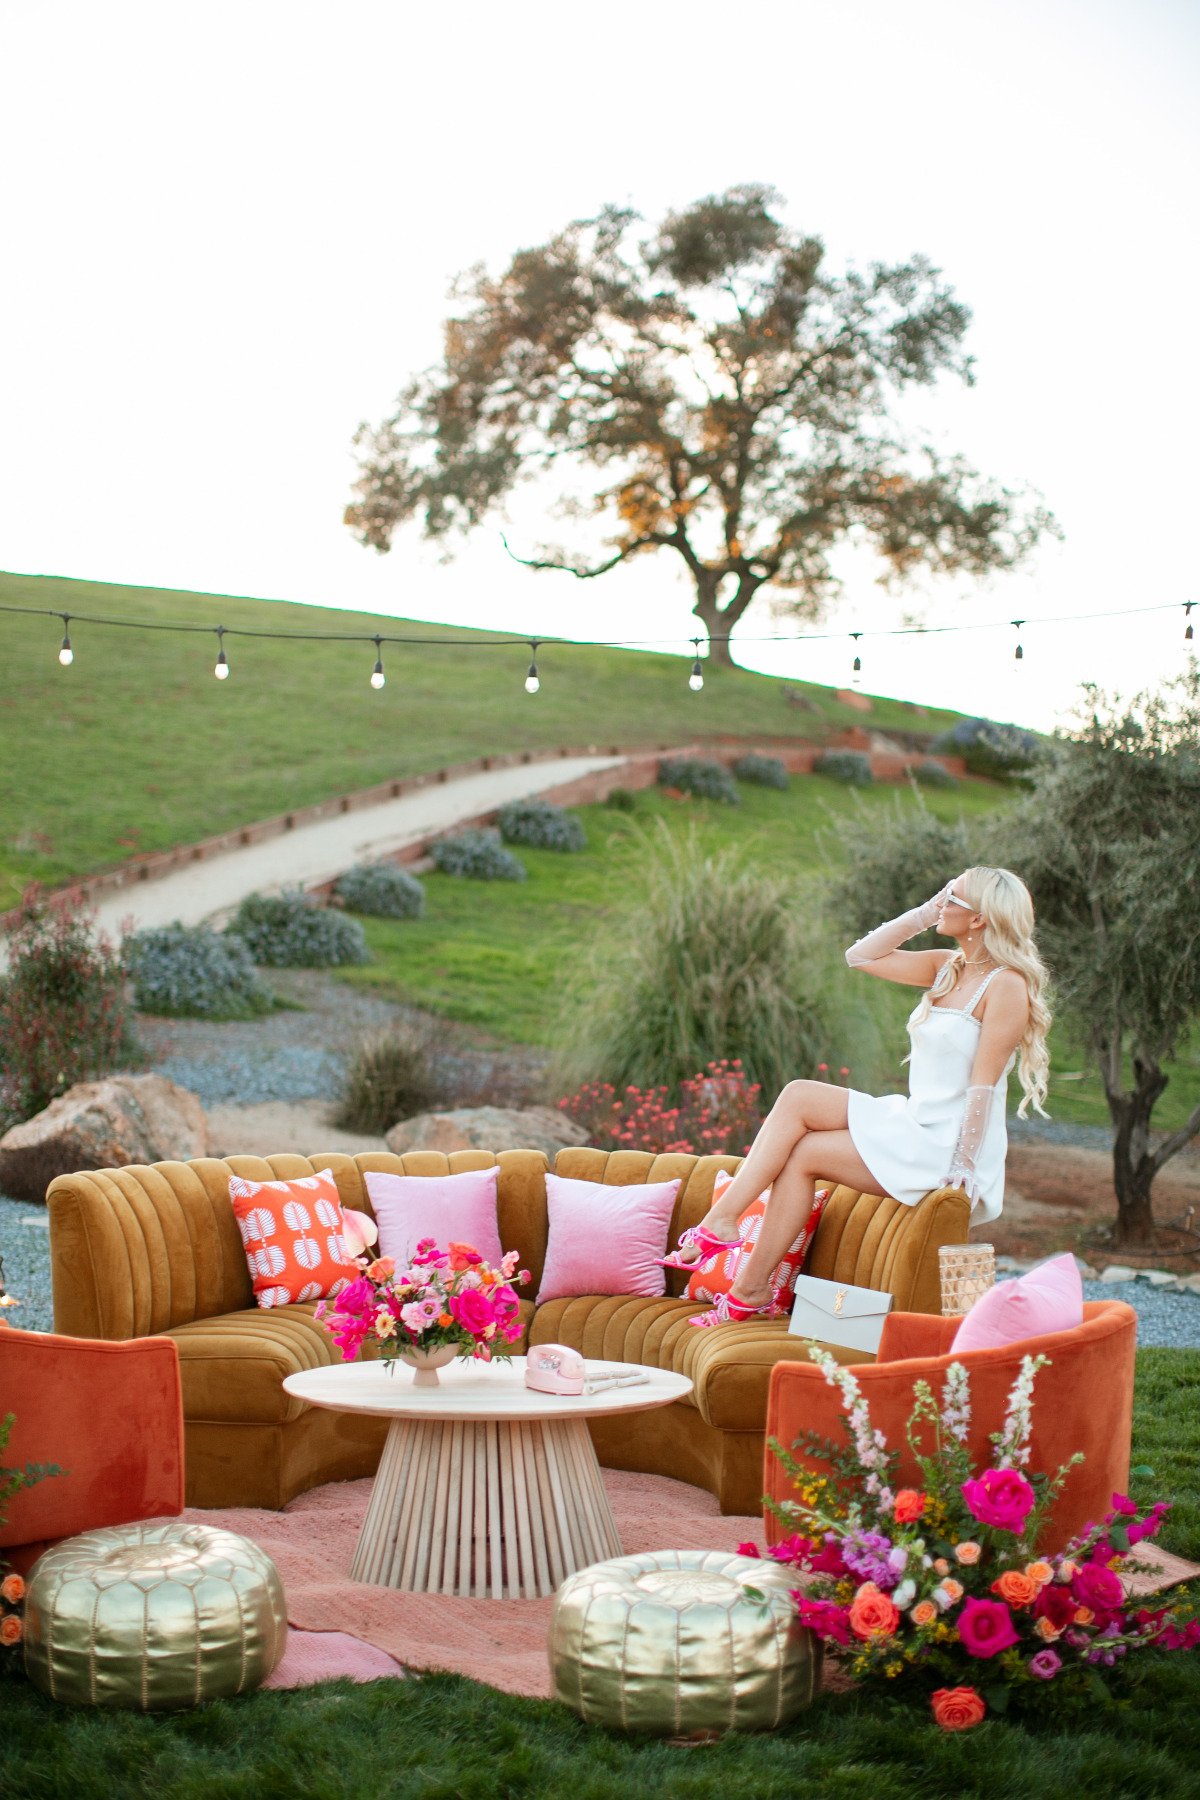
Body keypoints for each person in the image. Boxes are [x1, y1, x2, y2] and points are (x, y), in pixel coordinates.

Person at [667, 866, 1052, 1326]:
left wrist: (962, 1164)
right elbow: (861, 955)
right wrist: (924, 913)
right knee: (798, 1104)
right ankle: (744, 1273)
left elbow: (983, 1087)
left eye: (952, 898)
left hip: (945, 1144)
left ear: (978, 921)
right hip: (914, 1121)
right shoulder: (947, 968)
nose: (941, 900)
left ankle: (732, 1252)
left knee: (802, 1134)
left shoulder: (1006, 986)